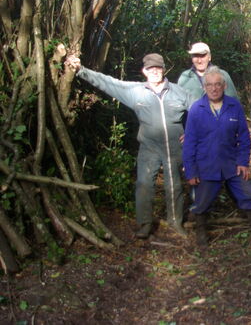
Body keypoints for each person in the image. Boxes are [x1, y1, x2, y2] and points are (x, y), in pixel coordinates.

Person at [65, 53, 192, 239]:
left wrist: (192, 133)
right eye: (151, 69)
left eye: (158, 68)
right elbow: (108, 83)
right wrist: (81, 71)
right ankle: (145, 224)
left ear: (164, 70)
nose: (155, 72)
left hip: (174, 147)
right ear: (144, 71)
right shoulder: (135, 91)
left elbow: (200, 111)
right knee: (143, 184)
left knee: (174, 185)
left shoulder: (179, 92)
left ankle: (175, 222)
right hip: (149, 146)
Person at [182, 68, 251, 246]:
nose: (214, 88)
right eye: (209, 85)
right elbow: (189, 143)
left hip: (232, 163)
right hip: (206, 165)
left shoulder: (234, 106)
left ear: (224, 86)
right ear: (204, 87)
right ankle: (201, 233)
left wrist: (243, 162)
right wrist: (191, 170)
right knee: (201, 202)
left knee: (249, 194)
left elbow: (243, 136)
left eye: (218, 84)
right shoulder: (197, 109)